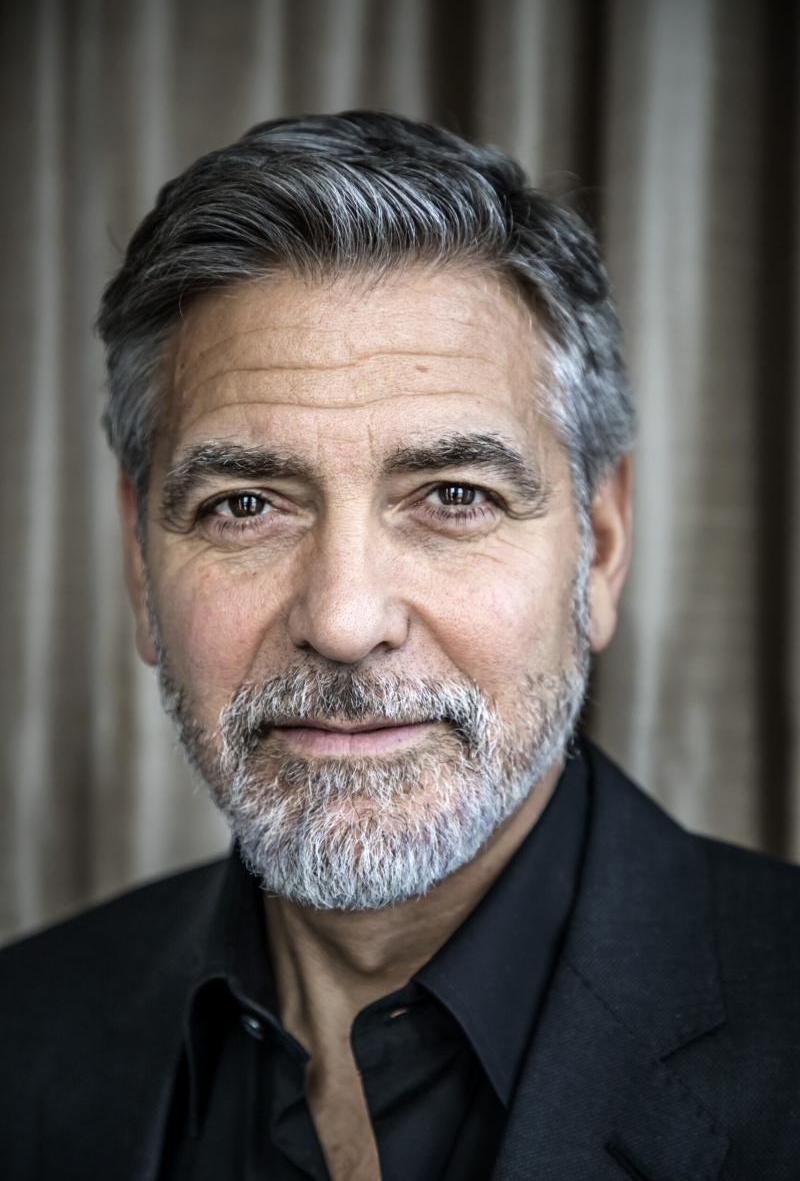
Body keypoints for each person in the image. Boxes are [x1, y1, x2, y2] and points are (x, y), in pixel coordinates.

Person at [1, 111, 798, 1181]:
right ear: (143, 571)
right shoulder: (22, 1030)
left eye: (452, 496)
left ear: (597, 548)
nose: (342, 618)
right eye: (246, 505)